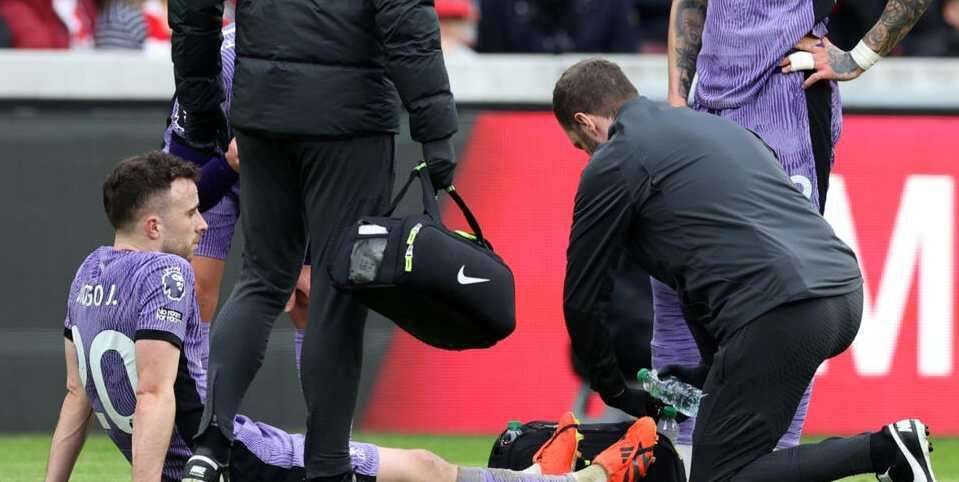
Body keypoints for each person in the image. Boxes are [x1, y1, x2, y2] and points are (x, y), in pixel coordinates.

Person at [44, 152, 659, 482]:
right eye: (190, 215)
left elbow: (77, 396)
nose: (204, 225)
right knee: (423, 469)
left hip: (220, 457)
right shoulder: (166, 273)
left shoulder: (88, 273)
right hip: (237, 461)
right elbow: (155, 396)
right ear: (154, 226)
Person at [554, 58, 937, 482]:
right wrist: (706, 373)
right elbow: (721, 260)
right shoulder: (716, 129)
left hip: (781, 309)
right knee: (735, 466)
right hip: (841, 292)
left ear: (586, 122)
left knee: (719, 476)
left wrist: (615, 391)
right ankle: (888, 452)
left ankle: (886, 450)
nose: (585, 154)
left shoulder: (615, 159)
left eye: (579, 144)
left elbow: (582, 300)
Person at [167, 0, 460, 479]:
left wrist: (201, 105)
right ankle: (328, 465)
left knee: (260, 280)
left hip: (263, 110)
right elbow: (409, 24)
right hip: (352, 120)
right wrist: (437, 132)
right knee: (338, 291)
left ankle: (211, 442)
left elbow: (194, 10)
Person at [657, 0, 938, 463]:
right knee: (679, 281)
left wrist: (858, 57)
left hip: (786, 100)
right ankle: (680, 457)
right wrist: (676, 100)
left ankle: (769, 458)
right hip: (706, 103)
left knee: (783, 292)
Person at [163, 23, 313, 355]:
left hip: (293, 173)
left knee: (310, 296)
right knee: (192, 291)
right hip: (217, 159)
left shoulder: (325, 59)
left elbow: (325, 171)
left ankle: (320, 393)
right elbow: (181, 194)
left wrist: (307, 256)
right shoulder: (215, 65)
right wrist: (228, 164)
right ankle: (195, 387)